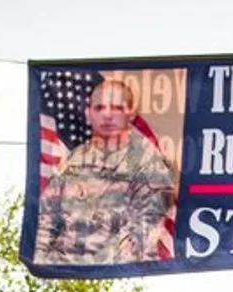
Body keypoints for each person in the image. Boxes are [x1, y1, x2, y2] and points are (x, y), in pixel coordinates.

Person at [34, 77, 177, 267]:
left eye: (116, 108)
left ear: (131, 114)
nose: (107, 115)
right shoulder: (72, 162)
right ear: (88, 113)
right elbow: (46, 222)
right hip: (65, 275)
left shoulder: (151, 165)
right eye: (99, 108)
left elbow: (143, 233)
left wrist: (88, 264)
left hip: (118, 276)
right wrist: (44, 264)